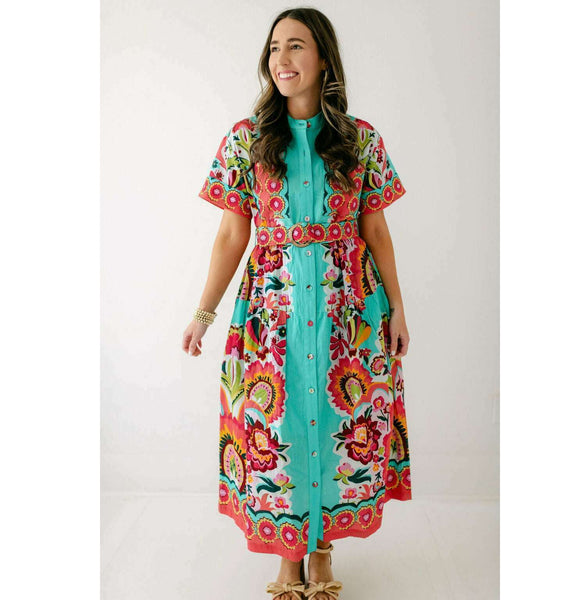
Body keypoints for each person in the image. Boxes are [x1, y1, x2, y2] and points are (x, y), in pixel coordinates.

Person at [182, 7, 412, 600]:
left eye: (296, 46)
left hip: (349, 312)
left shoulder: (361, 140)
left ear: (324, 59)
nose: (281, 59)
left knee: (338, 422)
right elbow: (231, 234)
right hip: (272, 313)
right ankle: (289, 553)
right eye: (274, 48)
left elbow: (376, 230)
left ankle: (322, 548)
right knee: (278, 424)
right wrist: (204, 313)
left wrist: (397, 309)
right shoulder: (247, 140)